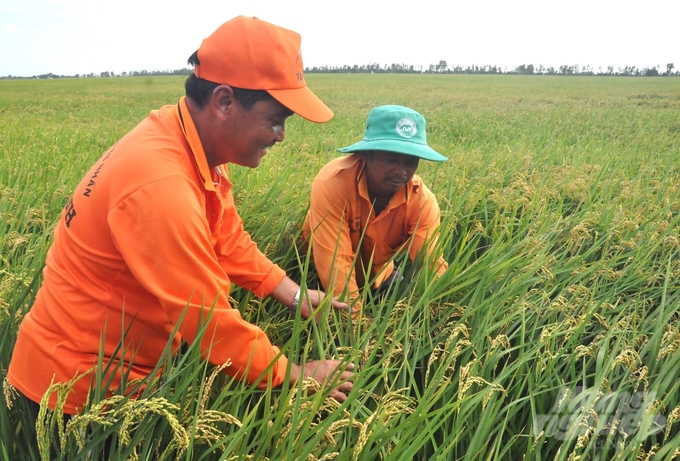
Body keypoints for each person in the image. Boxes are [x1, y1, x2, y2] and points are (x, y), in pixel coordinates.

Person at [7, 16, 355, 419]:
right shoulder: (161, 184)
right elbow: (206, 319)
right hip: (71, 394)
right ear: (224, 101)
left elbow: (227, 239)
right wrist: (296, 374)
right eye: (275, 120)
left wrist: (295, 295)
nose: (281, 136)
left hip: (117, 376)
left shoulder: (190, 144)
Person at [302, 105, 449, 311]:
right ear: (366, 155)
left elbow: (430, 264)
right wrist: (355, 331)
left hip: (379, 274)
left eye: (410, 161)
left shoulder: (422, 202)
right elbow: (336, 266)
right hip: (319, 266)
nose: (401, 171)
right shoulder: (333, 183)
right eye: (391, 159)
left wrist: (447, 308)